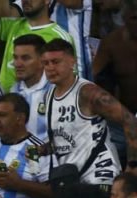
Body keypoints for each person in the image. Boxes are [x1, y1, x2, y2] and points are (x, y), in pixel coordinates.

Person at [42, 38, 135, 187]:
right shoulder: (49, 95)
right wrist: (43, 149)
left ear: (72, 61)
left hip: (99, 172)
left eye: (56, 62)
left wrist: (132, 165)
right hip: (72, 178)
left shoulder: (88, 92)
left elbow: (129, 120)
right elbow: (67, 139)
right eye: (46, 63)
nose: (50, 67)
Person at [0, 0, 74, 92]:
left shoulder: (60, 36)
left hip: (38, 104)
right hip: (4, 102)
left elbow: (68, 79)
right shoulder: (13, 25)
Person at [93, 0, 137, 115]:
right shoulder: (111, 43)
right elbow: (92, 79)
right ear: (124, 17)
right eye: (134, 18)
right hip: (125, 116)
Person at [10, 34, 52, 141]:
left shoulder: (55, 91)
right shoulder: (13, 90)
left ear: (42, 61)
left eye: (25, 58)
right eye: (15, 58)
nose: (18, 64)